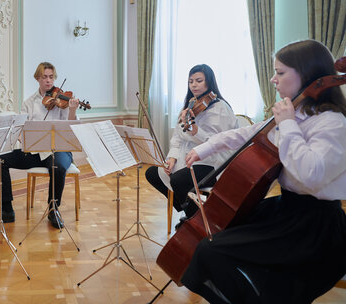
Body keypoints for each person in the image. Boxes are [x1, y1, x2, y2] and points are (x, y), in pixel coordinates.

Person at [181, 40, 346, 303]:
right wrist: (205, 148)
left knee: (214, 252)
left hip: (314, 228)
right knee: (215, 242)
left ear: (307, 75)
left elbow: (311, 175)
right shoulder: (295, 112)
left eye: (280, 73)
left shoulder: (332, 123)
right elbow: (246, 134)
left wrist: (288, 124)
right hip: (287, 211)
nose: (273, 79)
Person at [0, 62, 80, 229]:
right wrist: (21, 137)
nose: (48, 81)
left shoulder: (63, 100)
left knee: (58, 167)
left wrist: (72, 110)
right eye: (44, 77)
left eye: (51, 77)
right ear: (38, 79)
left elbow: (70, 127)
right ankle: (6, 211)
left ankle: (53, 209)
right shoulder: (29, 103)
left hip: (58, 150)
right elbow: (21, 127)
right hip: (35, 152)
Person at [145, 64, 238, 227]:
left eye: (199, 81)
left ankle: (196, 221)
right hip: (186, 159)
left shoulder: (220, 108)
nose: (194, 85)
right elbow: (177, 137)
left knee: (179, 180)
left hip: (211, 162)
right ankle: (190, 210)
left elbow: (218, 143)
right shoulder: (191, 105)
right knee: (152, 173)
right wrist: (172, 158)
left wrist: (196, 131)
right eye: (190, 81)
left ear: (209, 82)